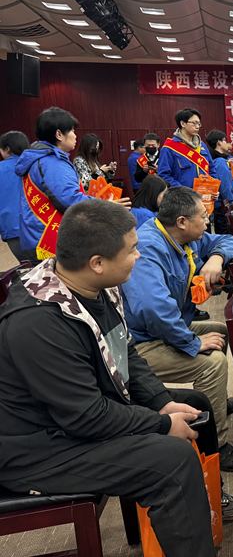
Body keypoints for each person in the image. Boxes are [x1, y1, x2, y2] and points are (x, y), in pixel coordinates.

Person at [0, 200, 221, 556]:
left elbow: (124, 351)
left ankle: (205, 511)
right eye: (131, 250)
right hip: (37, 449)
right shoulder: (39, 323)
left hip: (76, 415)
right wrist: (161, 424)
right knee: (173, 461)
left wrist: (162, 403)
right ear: (97, 263)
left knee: (193, 405)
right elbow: (86, 417)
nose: (138, 256)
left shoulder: (94, 285)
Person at [122, 187, 233, 472]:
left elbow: (231, 240)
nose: (207, 222)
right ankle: (215, 446)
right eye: (203, 217)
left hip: (165, 328)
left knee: (221, 331)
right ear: (182, 221)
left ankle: (213, 402)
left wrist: (216, 258)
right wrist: (192, 342)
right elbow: (153, 311)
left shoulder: (183, 236)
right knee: (212, 364)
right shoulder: (149, 248)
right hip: (139, 343)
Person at [15, 107, 129, 262]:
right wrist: (105, 205)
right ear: (59, 134)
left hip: (35, 233)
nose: (76, 136)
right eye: (73, 131)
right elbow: (69, 200)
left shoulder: (38, 158)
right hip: (49, 239)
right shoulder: (52, 162)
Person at [157, 108, 218, 190]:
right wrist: (184, 191)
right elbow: (163, 176)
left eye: (199, 124)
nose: (197, 127)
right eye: (194, 123)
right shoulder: (169, 147)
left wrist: (213, 188)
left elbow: (212, 169)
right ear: (183, 124)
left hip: (204, 195)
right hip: (182, 196)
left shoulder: (202, 146)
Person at [0, 131, 30, 261]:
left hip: (13, 228)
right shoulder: (37, 164)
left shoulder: (1, 169)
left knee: (29, 268)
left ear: (7, 149)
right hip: (41, 227)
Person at [206, 129, 233, 235]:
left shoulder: (216, 160)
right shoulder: (220, 162)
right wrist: (231, 201)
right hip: (223, 205)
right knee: (226, 234)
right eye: (225, 140)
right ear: (219, 143)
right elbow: (224, 186)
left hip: (220, 205)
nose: (227, 144)